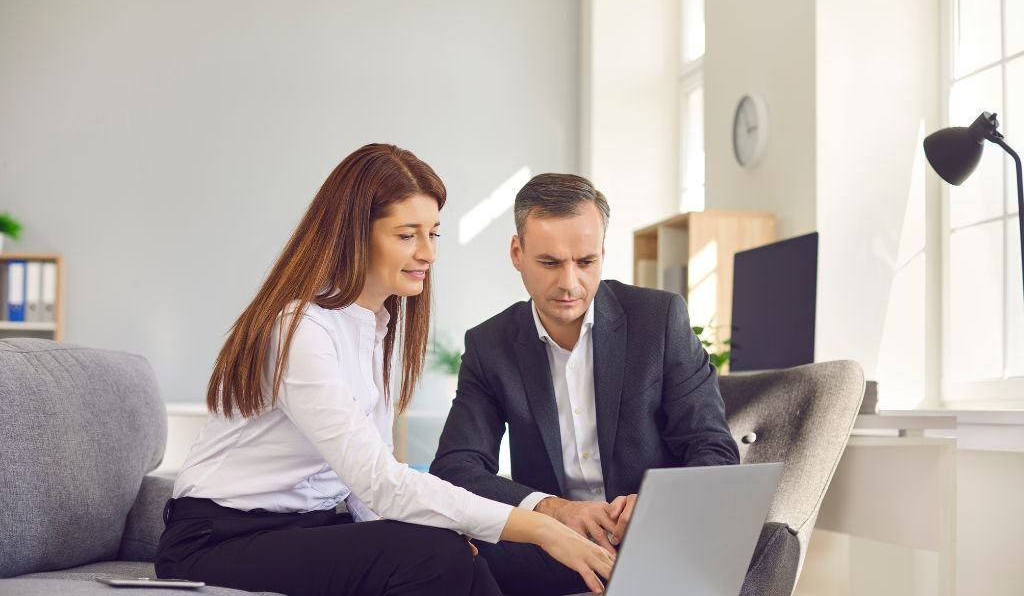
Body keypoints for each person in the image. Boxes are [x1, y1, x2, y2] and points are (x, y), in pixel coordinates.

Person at [155, 146, 615, 596]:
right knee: (434, 554)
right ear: (355, 234)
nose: (428, 253)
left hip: (304, 524)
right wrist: (539, 527)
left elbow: (365, 493)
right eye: (406, 234)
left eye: (433, 233)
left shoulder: (375, 326)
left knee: (450, 547)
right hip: (216, 540)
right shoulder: (299, 329)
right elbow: (376, 480)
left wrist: (447, 526)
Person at [430, 173, 741, 595]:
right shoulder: (490, 345)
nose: (570, 283)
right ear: (517, 253)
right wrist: (552, 512)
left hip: (649, 540)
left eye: (586, 261)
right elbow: (455, 467)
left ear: (602, 253)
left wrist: (654, 505)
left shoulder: (660, 320)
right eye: (550, 262)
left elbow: (714, 450)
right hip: (550, 547)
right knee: (435, 555)